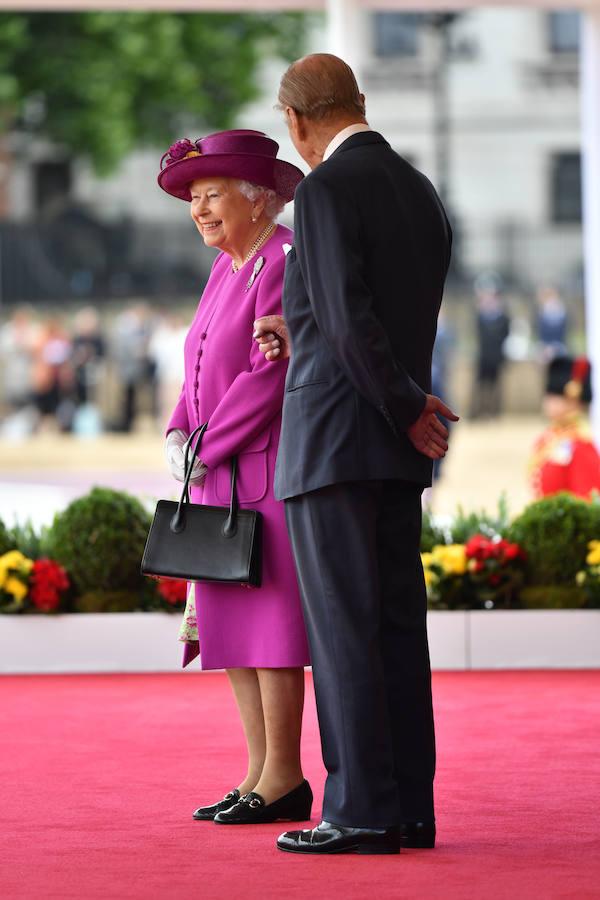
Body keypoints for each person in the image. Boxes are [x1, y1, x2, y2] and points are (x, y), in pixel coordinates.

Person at [254, 54, 458, 855]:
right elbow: (379, 313)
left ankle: (360, 811)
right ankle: (407, 807)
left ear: (297, 123)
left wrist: (403, 405)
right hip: (393, 440)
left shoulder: (326, 190)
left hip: (337, 441)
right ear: (361, 104)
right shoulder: (419, 189)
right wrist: (403, 402)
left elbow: (345, 318)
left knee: (342, 629)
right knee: (399, 629)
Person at [157, 130, 312, 826]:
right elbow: (197, 367)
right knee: (234, 628)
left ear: (256, 198)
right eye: (194, 199)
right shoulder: (226, 267)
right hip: (218, 471)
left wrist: (208, 441)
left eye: (211, 194)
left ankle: (285, 775)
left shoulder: (281, 258)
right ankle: (257, 773)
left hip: (263, 469)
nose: (200, 210)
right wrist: (177, 430)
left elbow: (270, 372)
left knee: (271, 630)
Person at [530, 355, 600, 499]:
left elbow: (586, 501)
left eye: (556, 397)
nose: (548, 401)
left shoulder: (581, 445)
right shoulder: (549, 437)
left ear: (573, 400)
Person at [470, 279, 510, 420]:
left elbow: (506, 334)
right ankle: (478, 411)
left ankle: (494, 412)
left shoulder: (503, 317)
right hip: (483, 355)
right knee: (480, 385)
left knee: (496, 385)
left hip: (496, 355)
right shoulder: (481, 315)